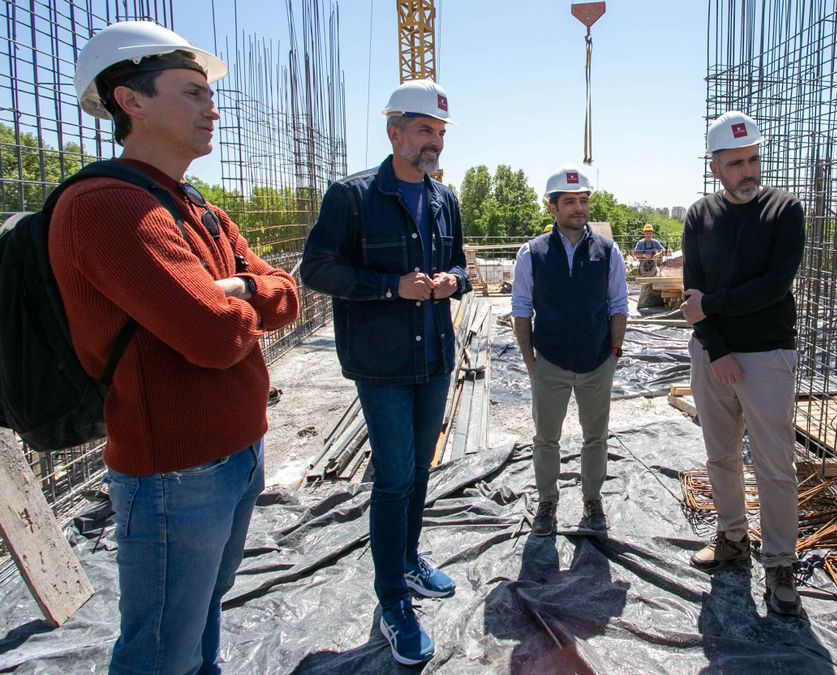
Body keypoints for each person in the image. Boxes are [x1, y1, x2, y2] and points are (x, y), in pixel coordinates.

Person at [49, 21, 300, 674]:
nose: (212, 107)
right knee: (162, 648)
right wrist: (247, 300)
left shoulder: (197, 208)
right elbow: (216, 337)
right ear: (129, 101)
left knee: (201, 619)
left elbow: (288, 296)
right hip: (174, 474)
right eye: (191, 92)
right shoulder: (107, 206)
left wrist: (240, 285)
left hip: (238, 453)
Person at [299, 78, 469, 666]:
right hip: (382, 363)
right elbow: (316, 269)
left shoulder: (444, 199)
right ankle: (392, 598)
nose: (436, 143)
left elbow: (461, 268)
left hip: (434, 357)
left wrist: (454, 282)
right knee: (393, 478)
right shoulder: (351, 197)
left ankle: (406, 558)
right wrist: (389, 287)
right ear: (394, 132)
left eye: (441, 133)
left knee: (418, 471)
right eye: (426, 130)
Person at [680, 111, 806, 616]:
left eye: (754, 159)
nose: (749, 170)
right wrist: (716, 346)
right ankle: (732, 537)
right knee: (720, 455)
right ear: (716, 168)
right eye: (736, 163)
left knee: (775, 466)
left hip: (769, 354)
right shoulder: (699, 215)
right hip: (714, 354)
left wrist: (713, 305)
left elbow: (774, 287)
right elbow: (693, 293)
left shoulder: (784, 209)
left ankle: (780, 564)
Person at [511, 165, 628, 537]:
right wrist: (532, 363)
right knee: (547, 438)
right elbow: (520, 310)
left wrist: (613, 353)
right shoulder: (532, 253)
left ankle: (592, 498)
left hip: (597, 362)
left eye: (583, 200)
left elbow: (619, 305)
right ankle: (547, 502)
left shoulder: (608, 252)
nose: (579, 208)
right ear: (552, 208)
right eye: (570, 202)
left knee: (596, 436)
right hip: (551, 362)